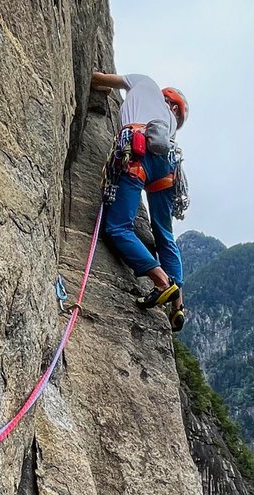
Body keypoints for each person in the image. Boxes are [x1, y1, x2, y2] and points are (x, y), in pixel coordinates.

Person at [90, 72, 190, 331]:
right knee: (164, 234)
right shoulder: (169, 126)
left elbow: (99, 79)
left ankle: (162, 282)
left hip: (138, 151)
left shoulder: (144, 82)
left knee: (118, 227)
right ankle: (178, 304)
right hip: (167, 167)